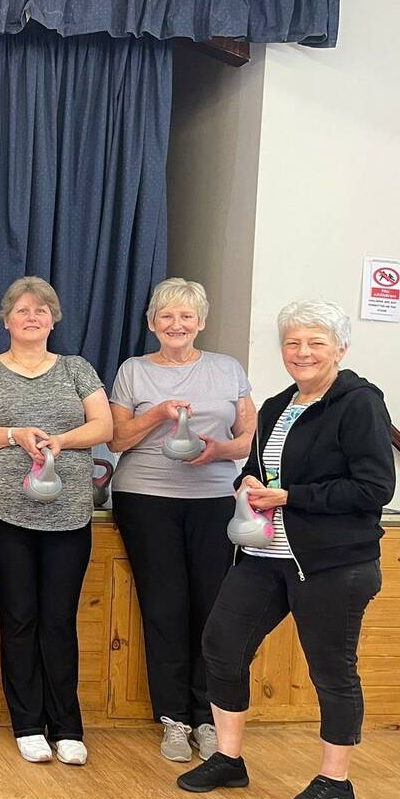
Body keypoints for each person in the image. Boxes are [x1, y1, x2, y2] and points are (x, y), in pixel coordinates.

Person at [178, 300, 393, 799]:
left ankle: (335, 783)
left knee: (331, 671)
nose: (302, 352)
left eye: (316, 342)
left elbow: (374, 488)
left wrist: (291, 498)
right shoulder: (277, 404)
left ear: (340, 348)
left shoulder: (359, 403)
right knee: (221, 647)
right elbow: (254, 469)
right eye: (293, 343)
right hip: (263, 555)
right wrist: (247, 483)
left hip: (333, 563)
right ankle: (228, 759)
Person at [0, 276, 113, 765]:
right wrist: (13, 434)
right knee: (20, 615)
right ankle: (27, 723)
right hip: (0, 511)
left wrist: (63, 441)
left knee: (59, 620)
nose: (32, 316)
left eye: (41, 310)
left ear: (53, 319)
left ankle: (67, 727)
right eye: (22, 310)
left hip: (69, 514)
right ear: (6, 320)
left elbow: (104, 426)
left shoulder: (76, 368)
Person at [108, 278, 256, 763]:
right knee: (165, 607)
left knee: (211, 609)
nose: (176, 325)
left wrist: (219, 451)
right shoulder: (133, 370)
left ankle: (206, 717)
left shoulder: (228, 369)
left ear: (201, 322)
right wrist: (158, 417)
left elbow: (250, 438)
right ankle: (173, 718)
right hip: (146, 498)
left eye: (186, 316)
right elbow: (116, 440)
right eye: (166, 316)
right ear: (152, 323)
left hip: (213, 498)